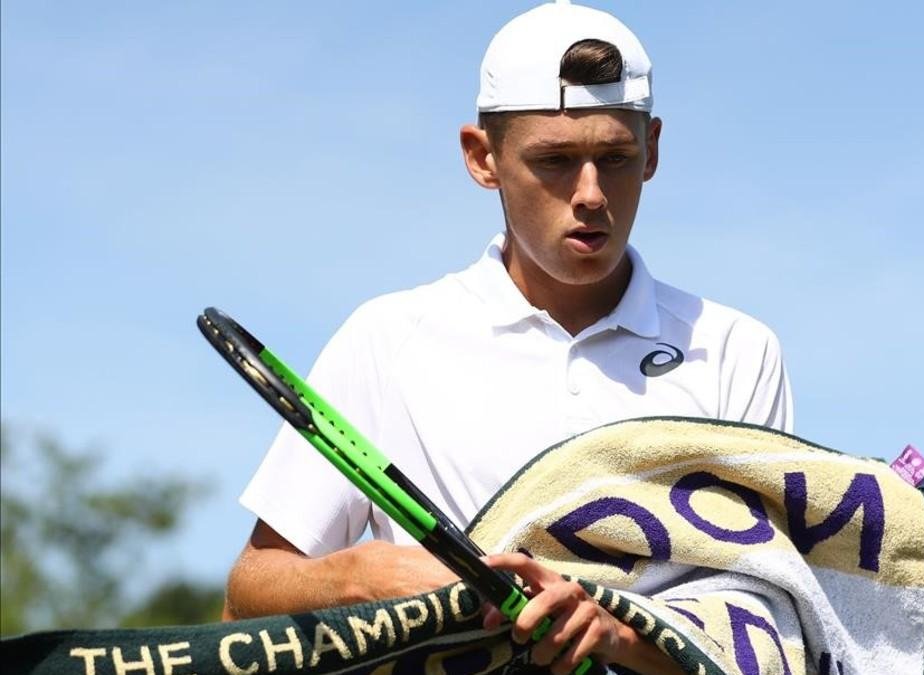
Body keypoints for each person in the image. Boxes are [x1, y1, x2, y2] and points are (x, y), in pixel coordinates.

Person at [224, 2, 793, 672]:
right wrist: (359, 575)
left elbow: (771, 621)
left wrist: (620, 634)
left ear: (654, 150)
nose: (589, 193)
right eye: (553, 160)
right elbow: (246, 595)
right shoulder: (386, 339)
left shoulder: (737, 351)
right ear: (482, 157)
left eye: (615, 156)